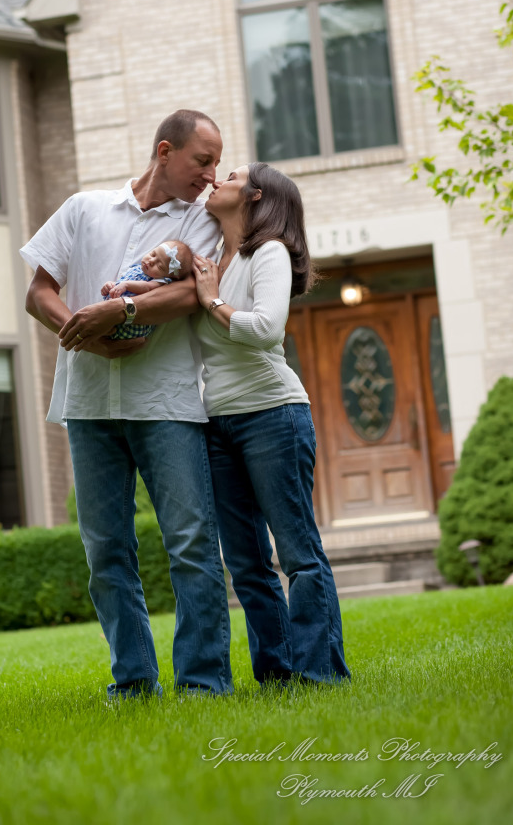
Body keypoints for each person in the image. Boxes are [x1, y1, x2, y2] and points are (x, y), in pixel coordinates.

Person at [21, 110, 232, 698]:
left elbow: (195, 293)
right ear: (165, 151)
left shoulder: (203, 221)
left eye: (216, 163)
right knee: (106, 551)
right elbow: (39, 292)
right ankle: (134, 683)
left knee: (191, 543)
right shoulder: (84, 209)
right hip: (89, 406)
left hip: (165, 403)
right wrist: (82, 329)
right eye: (202, 161)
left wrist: (122, 310)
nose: (212, 176)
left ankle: (204, 684)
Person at [192, 161, 350, 686]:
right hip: (218, 422)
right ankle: (279, 675)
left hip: (273, 415)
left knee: (298, 553)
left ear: (256, 196)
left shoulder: (269, 252)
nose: (217, 180)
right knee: (247, 563)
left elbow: (265, 329)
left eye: (230, 176)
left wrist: (211, 300)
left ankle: (320, 672)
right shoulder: (213, 256)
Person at [100, 240, 194, 340]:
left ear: (170, 275)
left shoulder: (160, 281)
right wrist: (113, 285)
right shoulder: (137, 269)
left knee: (105, 324)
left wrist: (126, 285)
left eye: (160, 266)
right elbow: (124, 281)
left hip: (132, 321)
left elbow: (146, 287)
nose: (151, 261)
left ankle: (107, 331)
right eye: (153, 254)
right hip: (116, 309)